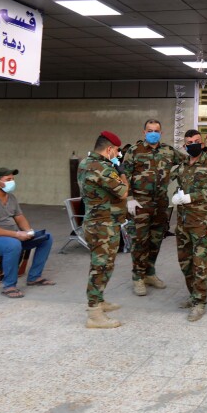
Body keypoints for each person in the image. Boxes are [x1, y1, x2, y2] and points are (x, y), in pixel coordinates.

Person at [0, 167, 55, 299]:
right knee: (13, 244)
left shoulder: (11, 198)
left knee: (46, 238)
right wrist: (16, 235)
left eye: (13, 179)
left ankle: (34, 277)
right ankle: (9, 286)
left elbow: (20, 217)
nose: (12, 182)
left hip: (12, 237)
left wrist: (28, 232)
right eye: (8, 179)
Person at [122, 119, 182, 297]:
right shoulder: (134, 151)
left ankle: (149, 273)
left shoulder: (168, 151)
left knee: (156, 240)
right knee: (140, 242)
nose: (153, 133)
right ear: (144, 132)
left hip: (161, 204)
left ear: (161, 133)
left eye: (156, 130)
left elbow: (189, 162)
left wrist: (174, 175)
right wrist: (130, 198)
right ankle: (137, 277)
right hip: (140, 203)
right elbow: (124, 174)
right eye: (150, 130)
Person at [171, 129, 207, 322]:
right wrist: (177, 197)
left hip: (201, 223)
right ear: (184, 146)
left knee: (200, 264)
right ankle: (193, 295)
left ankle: (199, 302)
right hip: (183, 222)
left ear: (201, 144)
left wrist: (190, 197)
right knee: (185, 262)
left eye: (196, 141)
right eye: (189, 142)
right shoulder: (183, 165)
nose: (193, 144)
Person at [78, 131, 129, 328]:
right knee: (100, 267)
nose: (117, 154)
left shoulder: (85, 163)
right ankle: (94, 314)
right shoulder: (104, 168)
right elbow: (123, 192)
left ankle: (98, 300)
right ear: (109, 149)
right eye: (116, 150)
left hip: (101, 222)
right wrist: (123, 173)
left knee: (106, 264)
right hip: (102, 225)